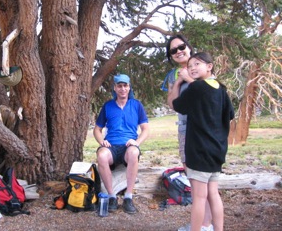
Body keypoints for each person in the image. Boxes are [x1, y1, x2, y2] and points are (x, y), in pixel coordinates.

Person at [171, 52, 235, 231]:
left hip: (198, 151)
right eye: (190, 66)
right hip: (217, 150)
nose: (192, 68)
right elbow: (230, 114)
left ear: (209, 66)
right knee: (213, 194)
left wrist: (179, 81)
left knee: (199, 197)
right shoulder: (221, 89)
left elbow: (176, 105)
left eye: (197, 64)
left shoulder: (196, 88)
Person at [162, 35, 213, 231]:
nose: (178, 52)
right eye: (173, 50)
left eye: (181, 46)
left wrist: (189, 78)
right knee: (193, 178)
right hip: (184, 130)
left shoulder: (200, 67)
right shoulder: (173, 75)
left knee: (205, 181)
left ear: (189, 47)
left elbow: (209, 95)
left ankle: (205, 224)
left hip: (203, 131)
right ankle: (202, 222)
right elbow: (172, 103)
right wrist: (178, 81)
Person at [93, 74, 150, 214]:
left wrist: (136, 142)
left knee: (134, 152)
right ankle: (112, 196)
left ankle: (128, 197)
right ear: (115, 88)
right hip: (111, 146)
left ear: (129, 87)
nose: (123, 89)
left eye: (125, 86)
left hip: (128, 147)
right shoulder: (108, 106)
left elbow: (146, 129)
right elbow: (97, 129)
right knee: (101, 155)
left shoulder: (136, 105)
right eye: (119, 86)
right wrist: (102, 141)